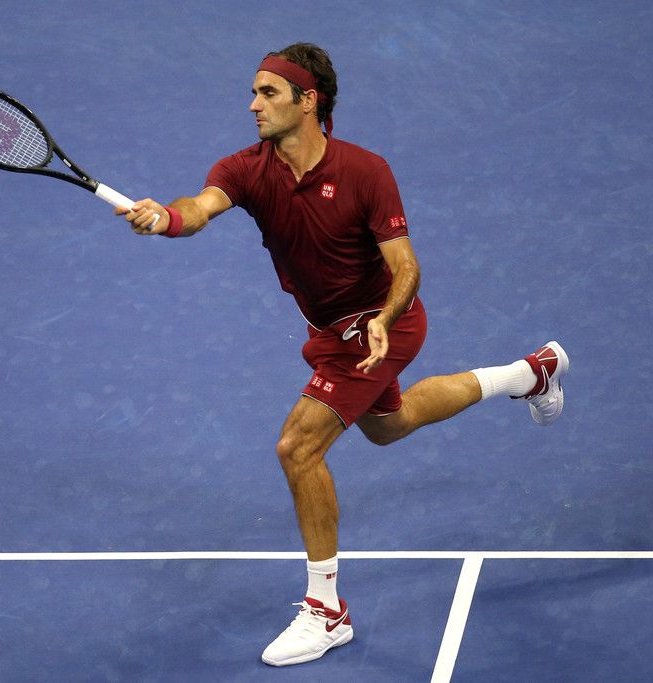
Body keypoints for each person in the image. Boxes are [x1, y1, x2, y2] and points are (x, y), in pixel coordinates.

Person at [114, 42, 570, 667]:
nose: (253, 105)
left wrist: (384, 319)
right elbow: (200, 207)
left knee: (298, 447)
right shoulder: (244, 169)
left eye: (268, 93)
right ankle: (529, 374)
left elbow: (406, 267)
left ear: (309, 101)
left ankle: (326, 611)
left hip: (382, 327)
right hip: (329, 331)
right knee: (390, 425)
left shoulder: (366, 171)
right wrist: (165, 217)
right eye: (253, 92)